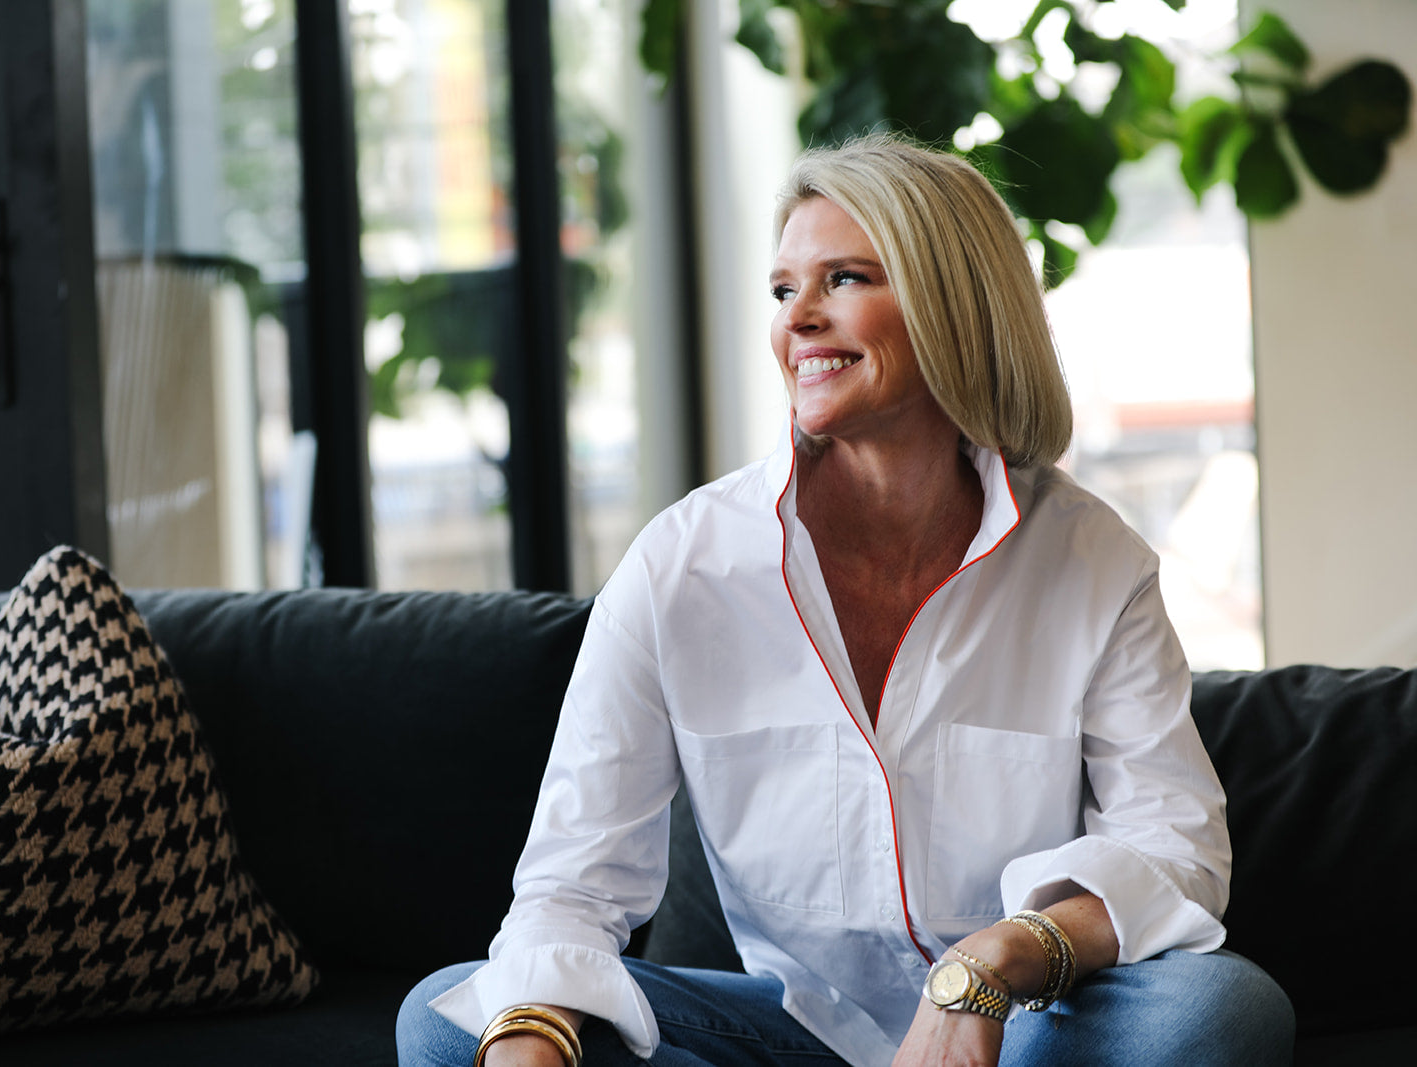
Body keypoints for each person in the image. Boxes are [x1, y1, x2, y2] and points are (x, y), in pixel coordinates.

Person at [397, 135, 1293, 1065]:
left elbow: (1175, 849)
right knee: (451, 1020)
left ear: (954, 304)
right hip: (792, 1036)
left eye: (845, 279)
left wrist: (988, 962)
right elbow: (571, 885)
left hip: (1021, 1027)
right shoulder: (681, 565)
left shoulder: (1093, 561)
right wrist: (530, 1038)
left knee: (1219, 1008)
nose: (799, 318)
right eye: (784, 289)